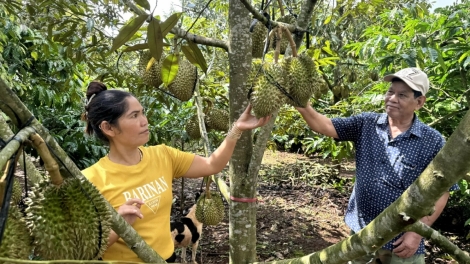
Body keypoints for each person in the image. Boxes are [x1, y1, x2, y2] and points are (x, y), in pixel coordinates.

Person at [80, 81, 270, 262]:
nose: (144, 121)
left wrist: (236, 129)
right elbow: (84, 252)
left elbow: (212, 165)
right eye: (134, 116)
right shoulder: (91, 180)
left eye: (143, 113)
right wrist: (118, 226)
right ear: (108, 128)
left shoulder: (163, 155)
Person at [295, 68, 459, 264]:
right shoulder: (367, 124)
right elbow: (326, 126)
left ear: (419, 102)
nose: (392, 98)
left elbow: (443, 191)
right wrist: (300, 103)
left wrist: (416, 234)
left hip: (402, 239)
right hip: (361, 232)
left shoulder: (432, 141)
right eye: (390, 92)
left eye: (402, 95)